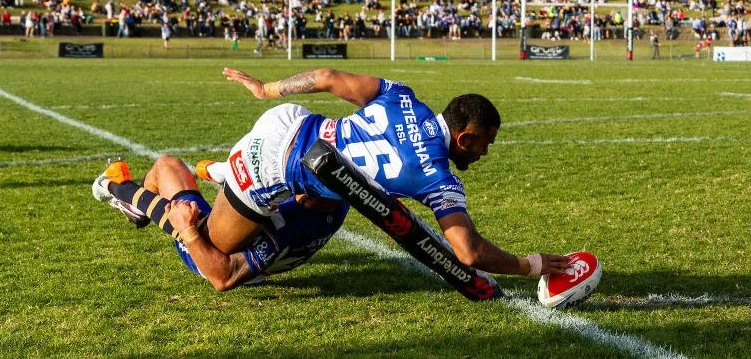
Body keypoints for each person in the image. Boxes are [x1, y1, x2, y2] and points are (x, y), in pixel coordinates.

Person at [104, 67, 571, 290]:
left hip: (291, 120)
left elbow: (327, 76)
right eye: (485, 143)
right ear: (465, 137)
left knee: (326, 197)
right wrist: (529, 265)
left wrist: (266, 89)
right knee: (213, 254)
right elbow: (468, 252)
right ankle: (123, 191)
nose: (485, 152)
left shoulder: (403, 96)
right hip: (275, 165)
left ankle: (211, 172)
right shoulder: (438, 177)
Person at [92, 155, 347, 291]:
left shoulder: (289, 221)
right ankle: (222, 174)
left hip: (211, 254)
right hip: (250, 242)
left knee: (166, 166)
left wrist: (188, 231)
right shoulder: (341, 199)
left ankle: (110, 185)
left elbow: (223, 277)